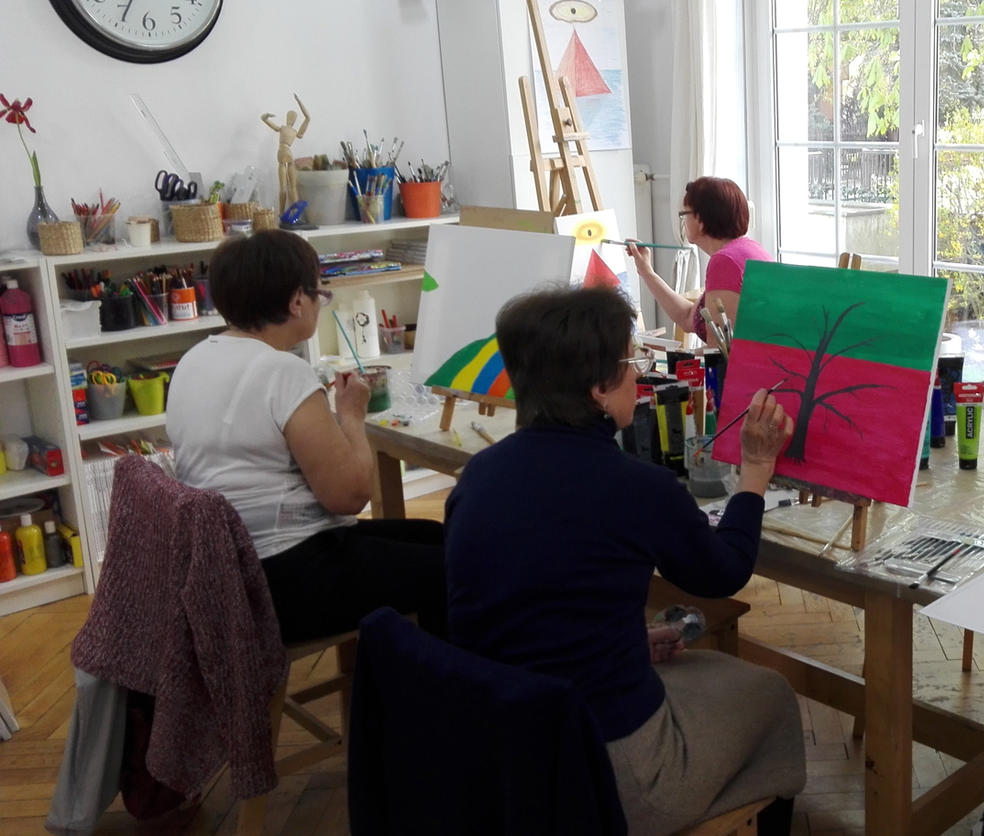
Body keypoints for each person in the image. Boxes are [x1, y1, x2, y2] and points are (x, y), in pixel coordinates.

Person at [444, 285, 806, 835]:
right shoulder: (636, 487)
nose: (638, 377)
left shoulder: (479, 475)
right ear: (597, 388)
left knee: (708, 679)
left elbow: (529, 607)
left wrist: (626, 642)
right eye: (630, 363)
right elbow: (725, 570)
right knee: (772, 696)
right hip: (604, 771)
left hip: (497, 756)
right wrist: (756, 468)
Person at [166, 229, 446, 643]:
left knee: (436, 538)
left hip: (224, 569)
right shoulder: (281, 372)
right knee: (452, 568)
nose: (320, 302)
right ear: (297, 301)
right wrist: (351, 416)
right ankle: (434, 675)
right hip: (281, 576)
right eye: (320, 293)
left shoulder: (194, 358)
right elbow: (349, 496)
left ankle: (411, 668)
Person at [627, 176, 772, 346]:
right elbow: (688, 317)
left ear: (701, 221)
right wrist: (647, 272)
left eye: (685, 214)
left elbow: (719, 348)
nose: (683, 221)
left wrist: (685, 356)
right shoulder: (748, 248)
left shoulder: (725, 261)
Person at [261, 93, 311, 213]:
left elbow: (308, 118)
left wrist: (299, 101)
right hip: (286, 153)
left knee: (287, 187)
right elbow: (308, 117)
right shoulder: (291, 131)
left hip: (283, 153)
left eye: (291, 117)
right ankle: (288, 213)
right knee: (289, 187)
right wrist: (267, 116)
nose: (290, 119)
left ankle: (289, 213)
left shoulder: (287, 129)